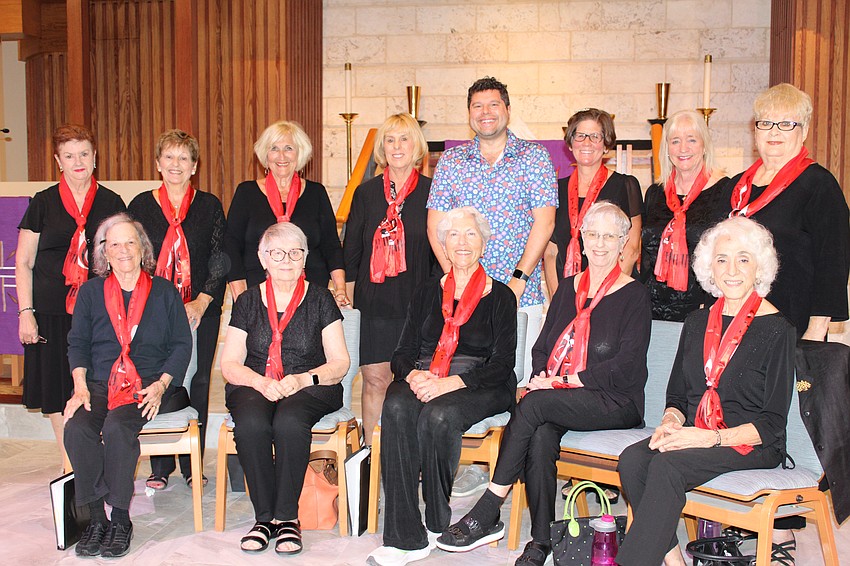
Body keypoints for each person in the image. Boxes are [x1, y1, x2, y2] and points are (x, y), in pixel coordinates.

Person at [437, 202, 651, 566]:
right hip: (562, 398)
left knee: (534, 404)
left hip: (614, 400)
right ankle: (541, 541)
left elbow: (628, 366)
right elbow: (542, 347)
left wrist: (564, 381)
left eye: (609, 236)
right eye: (593, 234)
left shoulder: (635, 295)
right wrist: (542, 376)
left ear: (623, 242)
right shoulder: (568, 289)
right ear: (581, 240)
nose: (599, 244)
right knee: (538, 433)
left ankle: (490, 506)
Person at [616, 216, 795, 566]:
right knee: (633, 459)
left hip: (749, 444)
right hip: (698, 432)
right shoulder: (697, 322)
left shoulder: (778, 330)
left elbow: (772, 424)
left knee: (668, 467)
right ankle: (672, 560)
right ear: (709, 267)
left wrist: (705, 439)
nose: (732, 270)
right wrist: (671, 421)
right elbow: (678, 398)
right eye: (722, 259)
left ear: (760, 266)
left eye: (744, 259)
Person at [427, 76, 556, 496]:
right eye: (478, 106)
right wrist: (458, 279)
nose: (486, 112)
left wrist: (517, 278)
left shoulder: (535, 158)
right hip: (464, 300)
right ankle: (470, 463)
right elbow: (436, 224)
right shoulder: (451, 162)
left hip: (522, 294)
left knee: (515, 382)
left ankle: (513, 471)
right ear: (469, 114)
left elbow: (545, 222)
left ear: (507, 109)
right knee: (465, 377)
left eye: (493, 104)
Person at [367, 207, 517, 566]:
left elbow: (502, 365)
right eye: (454, 235)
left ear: (484, 243)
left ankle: (437, 519)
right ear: (444, 246)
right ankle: (405, 537)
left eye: (471, 235)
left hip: (480, 381)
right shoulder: (426, 292)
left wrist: (452, 382)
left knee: (438, 415)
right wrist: (414, 376)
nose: (462, 242)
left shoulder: (501, 296)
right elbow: (401, 353)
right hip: (426, 374)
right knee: (397, 405)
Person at [64, 213, 192, 558]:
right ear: (104, 252)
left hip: (146, 385)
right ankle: (95, 519)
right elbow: (77, 343)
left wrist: (163, 384)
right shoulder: (90, 293)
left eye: (129, 243)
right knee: (77, 429)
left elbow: (182, 344)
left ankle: (120, 519)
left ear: (142, 249)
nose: (122, 251)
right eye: (113, 244)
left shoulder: (164, 291)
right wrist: (80, 385)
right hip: (100, 383)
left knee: (119, 428)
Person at [220, 222, 350, 556]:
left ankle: (287, 518)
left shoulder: (320, 298)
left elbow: (340, 363)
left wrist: (304, 378)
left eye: (295, 253)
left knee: (289, 421)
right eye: (277, 253)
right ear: (263, 259)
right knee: (251, 423)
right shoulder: (247, 301)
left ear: (304, 258)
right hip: (256, 381)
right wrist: (258, 381)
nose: (286, 260)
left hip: (309, 385)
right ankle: (264, 519)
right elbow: (230, 364)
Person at [16, 124, 125, 467]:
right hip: (50, 312)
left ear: (95, 157)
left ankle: (97, 459)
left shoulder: (111, 202)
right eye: (68, 155)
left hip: (101, 314)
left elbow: (125, 258)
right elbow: (24, 261)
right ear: (57, 160)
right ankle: (72, 466)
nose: (77, 161)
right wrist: (25, 311)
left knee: (99, 387)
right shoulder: (43, 203)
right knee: (56, 389)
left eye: (83, 153)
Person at [128, 129, 227, 489]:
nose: (175, 165)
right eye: (168, 157)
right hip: (154, 310)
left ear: (194, 166)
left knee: (199, 381)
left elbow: (220, 258)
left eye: (183, 158)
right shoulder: (140, 205)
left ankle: (192, 464)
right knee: (156, 377)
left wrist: (202, 300)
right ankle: (160, 465)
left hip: (203, 307)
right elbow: (133, 256)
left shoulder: (209, 205)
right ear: (157, 163)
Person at [720, 83, 849, 340]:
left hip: (794, 322)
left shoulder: (818, 184)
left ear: (804, 131)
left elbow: (833, 261)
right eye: (766, 122)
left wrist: (816, 329)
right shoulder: (735, 187)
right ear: (755, 131)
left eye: (786, 123)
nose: (774, 131)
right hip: (735, 319)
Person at [343, 113, 436, 445]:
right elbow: (351, 249)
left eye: (404, 139)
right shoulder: (366, 194)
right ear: (382, 147)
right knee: (375, 380)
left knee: (415, 383)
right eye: (390, 140)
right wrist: (349, 298)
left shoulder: (432, 191)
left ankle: (411, 456)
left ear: (417, 146)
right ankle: (371, 454)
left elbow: (440, 253)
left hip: (418, 305)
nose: (397, 147)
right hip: (375, 304)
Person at [225, 120, 347, 306]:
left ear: (300, 154)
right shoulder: (246, 192)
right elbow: (231, 245)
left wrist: (340, 289)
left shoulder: (316, 193)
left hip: (310, 294)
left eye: (289, 148)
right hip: (257, 295)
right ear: (266, 155)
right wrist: (241, 295)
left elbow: (331, 245)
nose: (281, 156)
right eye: (274, 148)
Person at [544, 108, 642, 297]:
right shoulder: (555, 189)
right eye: (580, 136)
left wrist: (600, 298)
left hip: (613, 295)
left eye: (595, 136)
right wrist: (560, 300)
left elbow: (631, 250)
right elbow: (550, 253)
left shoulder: (625, 186)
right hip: (568, 294)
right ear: (570, 144)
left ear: (606, 145)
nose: (587, 143)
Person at [641, 110, 727, 320]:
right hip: (651, 308)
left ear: (704, 145)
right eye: (675, 141)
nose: (683, 149)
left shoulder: (724, 190)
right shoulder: (655, 193)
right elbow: (644, 257)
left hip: (702, 308)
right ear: (667, 147)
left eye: (691, 140)